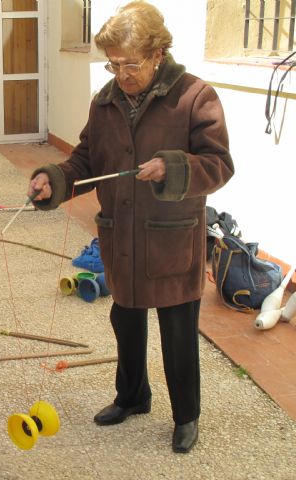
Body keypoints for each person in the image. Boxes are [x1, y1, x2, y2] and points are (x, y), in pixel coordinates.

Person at [28, 1, 234, 453]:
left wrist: (174, 167)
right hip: (121, 236)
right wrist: (55, 180)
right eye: (114, 64)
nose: (121, 74)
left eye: (131, 64)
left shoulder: (195, 96)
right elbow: (86, 158)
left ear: (158, 53)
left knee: (177, 330)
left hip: (170, 242)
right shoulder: (105, 103)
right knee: (126, 319)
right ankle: (132, 396)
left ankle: (186, 416)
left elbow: (219, 166)